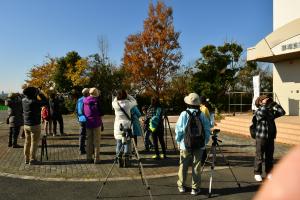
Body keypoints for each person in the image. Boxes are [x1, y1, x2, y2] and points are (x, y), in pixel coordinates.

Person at [175, 93, 211, 195]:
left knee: (183, 165)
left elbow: (179, 130)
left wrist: (178, 142)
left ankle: (181, 185)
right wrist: (204, 142)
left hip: (185, 144)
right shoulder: (202, 115)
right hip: (199, 145)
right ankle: (194, 188)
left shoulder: (183, 114)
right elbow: (207, 130)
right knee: (196, 166)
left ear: (188, 103)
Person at [253, 95, 285, 182]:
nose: (267, 100)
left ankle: (269, 172)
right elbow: (262, 113)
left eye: (267, 99)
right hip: (261, 137)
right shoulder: (258, 111)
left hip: (270, 137)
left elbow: (282, 112)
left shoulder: (270, 111)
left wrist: (275, 104)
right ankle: (257, 173)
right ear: (260, 102)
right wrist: (265, 105)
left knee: (269, 157)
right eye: (264, 99)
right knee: (259, 156)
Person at [22, 87, 48, 165]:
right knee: (34, 142)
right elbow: (46, 101)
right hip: (34, 125)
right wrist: (40, 93)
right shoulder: (34, 102)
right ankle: (32, 159)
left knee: (27, 142)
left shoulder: (23, 100)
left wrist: (36, 92)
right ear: (33, 94)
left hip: (26, 124)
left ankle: (26, 159)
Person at [112, 90, 137, 167]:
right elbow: (135, 101)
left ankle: (119, 156)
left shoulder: (115, 104)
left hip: (118, 126)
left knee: (119, 142)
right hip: (127, 125)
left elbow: (114, 100)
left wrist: (117, 95)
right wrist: (128, 95)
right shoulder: (128, 103)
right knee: (128, 142)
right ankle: (127, 157)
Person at [83, 87, 104, 164]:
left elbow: (83, 111)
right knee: (97, 141)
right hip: (97, 123)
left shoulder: (84, 100)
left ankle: (88, 158)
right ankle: (96, 158)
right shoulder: (97, 101)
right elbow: (101, 112)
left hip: (88, 122)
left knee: (89, 141)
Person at [76, 88, 89, 155]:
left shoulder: (79, 100)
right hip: (87, 119)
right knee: (89, 135)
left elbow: (76, 110)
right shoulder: (88, 100)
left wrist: (78, 118)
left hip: (81, 119)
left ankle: (81, 149)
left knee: (82, 135)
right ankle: (90, 149)